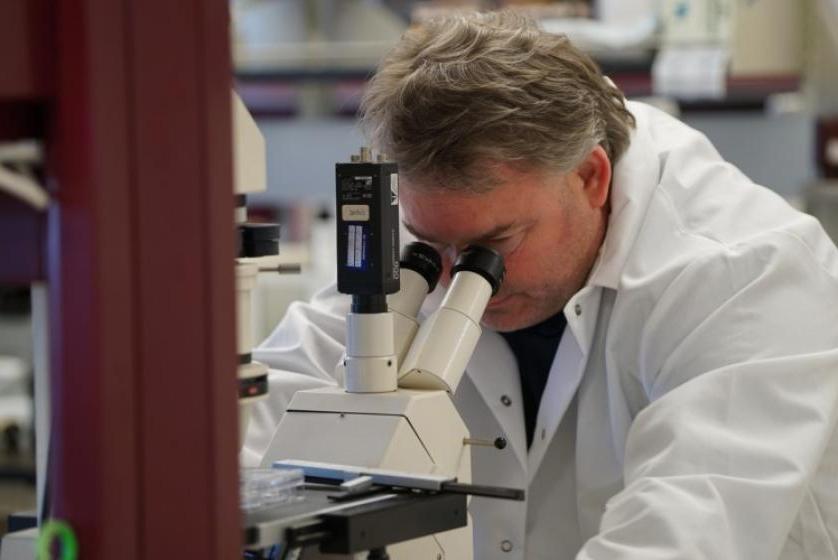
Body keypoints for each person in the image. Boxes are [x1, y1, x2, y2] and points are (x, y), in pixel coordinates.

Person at [243, 11, 838, 560]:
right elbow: (267, 414)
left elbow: (684, 534)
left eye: (492, 247)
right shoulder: (442, 237)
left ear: (590, 177)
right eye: (429, 245)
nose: (452, 279)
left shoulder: (743, 274)